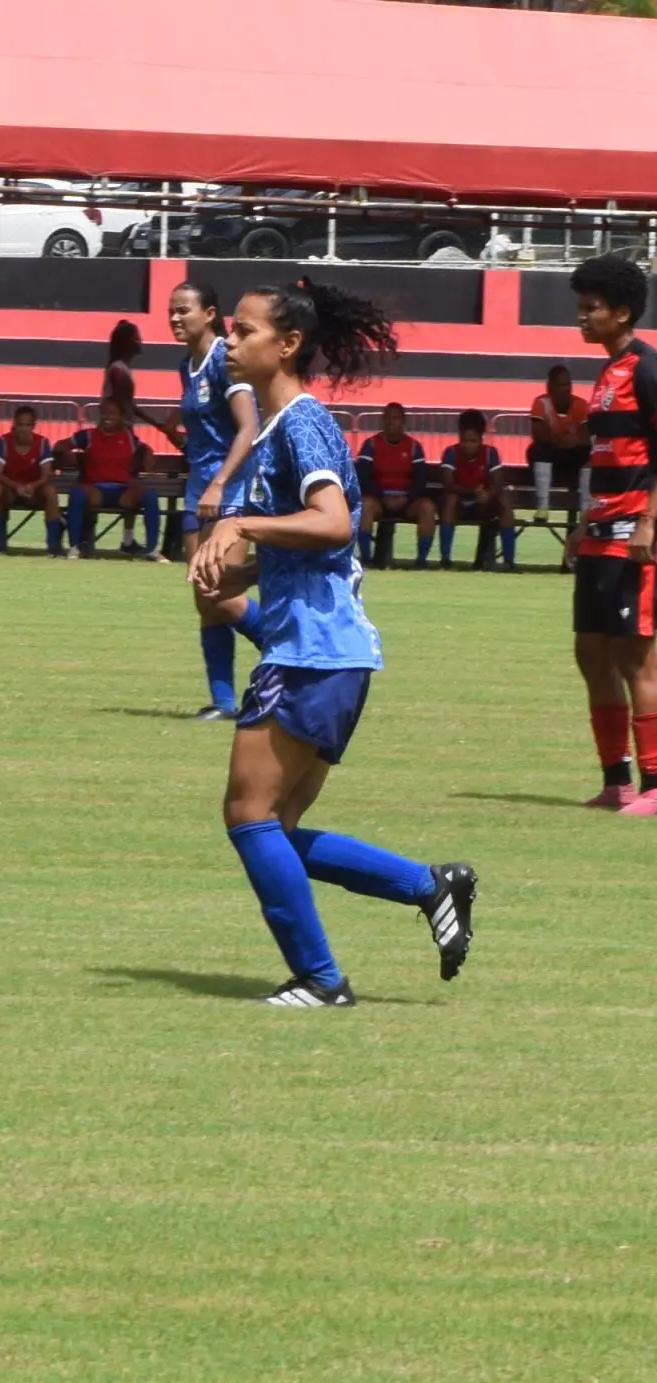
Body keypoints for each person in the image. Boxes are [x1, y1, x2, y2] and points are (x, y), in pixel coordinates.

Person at [187, 279, 476, 1007]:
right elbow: (305, 550)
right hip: (321, 651)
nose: (230, 341)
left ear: (286, 345)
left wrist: (242, 527)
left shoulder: (304, 422)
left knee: (249, 816)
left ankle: (320, 979)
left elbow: (335, 524)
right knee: (275, 825)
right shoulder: (281, 430)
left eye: (244, 330)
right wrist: (233, 577)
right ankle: (427, 884)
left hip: (315, 654)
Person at [562, 254, 657, 812]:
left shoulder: (646, 368)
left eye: (591, 308)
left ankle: (655, 784)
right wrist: (582, 521)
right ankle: (615, 780)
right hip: (600, 530)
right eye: (581, 307)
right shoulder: (605, 372)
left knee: (635, 659)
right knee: (591, 654)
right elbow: (606, 456)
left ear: (622, 313)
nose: (582, 317)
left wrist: (649, 521)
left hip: (632, 533)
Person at [168, 279, 267, 721]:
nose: (175, 317)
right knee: (204, 598)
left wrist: (219, 482)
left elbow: (248, 428)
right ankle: (223, 702)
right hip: (198, 489)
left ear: (209, 314)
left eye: (183, 310)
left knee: (224, 593)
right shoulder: (184, 365)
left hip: (230, 490)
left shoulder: (225, 362)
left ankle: (292, 657)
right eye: (171, 310)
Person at [62, 397, 160, 559]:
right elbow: (61, 445)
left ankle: (151, 549)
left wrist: (147, 454)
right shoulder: (88, 436)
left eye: (112, 413)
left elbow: (144, 449)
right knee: (77, 493)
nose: (108, 417)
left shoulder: (128, 438)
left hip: (123, 491)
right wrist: (69, 456)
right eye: (104, 413)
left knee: (149, 494)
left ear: (121, 416)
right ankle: (75, 547)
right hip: (95, 490)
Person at [352, 402, 435, 566]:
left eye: (396, 418)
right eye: (388, 418)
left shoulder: (413, 447)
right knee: (366, 505)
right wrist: (381, 496)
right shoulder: (371, 445)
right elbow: (363, 476)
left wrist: (408, 497)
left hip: (407, 502)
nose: (391, 422)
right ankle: (367, 559)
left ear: (403, 422)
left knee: (427, 507)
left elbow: (420, 479)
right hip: (379, 500)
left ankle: (421, 561)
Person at [436, 409, 516, 570]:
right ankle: (445, 559)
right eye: (464, 440)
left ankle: (509, 561)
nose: (468, 445)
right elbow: (448, 484)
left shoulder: (490, 453)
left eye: (472, 441)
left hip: (482, 504)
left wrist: (488, 494)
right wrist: (473, 491)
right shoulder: (451, 453)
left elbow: (498, 484)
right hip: (459, 502)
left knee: (505, 502)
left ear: (481, 439)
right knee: (450, 500)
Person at [0, 404, 64, 555]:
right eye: (20, 424)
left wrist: (32, 486)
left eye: (27, 425)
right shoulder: (3, 442)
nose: (23, 428)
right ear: (14, 423)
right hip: (10, 490)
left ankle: (54, 547)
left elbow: (47, 474)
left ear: (33, 426)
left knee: (50, 491)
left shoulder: (42, 443)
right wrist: (16, 486)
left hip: (33, 491)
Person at [529, 362, 591, 521]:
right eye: (562, 385)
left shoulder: (581, 405)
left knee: (589, 453)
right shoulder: (541, 403)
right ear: (550, 387)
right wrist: (560, 442)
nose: (567, 389)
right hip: (551, 455)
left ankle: (585, 510)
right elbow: (538, 435)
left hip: (572, 458)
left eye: (569, 384)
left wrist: (575, 441)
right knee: (537, 450)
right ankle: (543, 507)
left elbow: (586, 436)